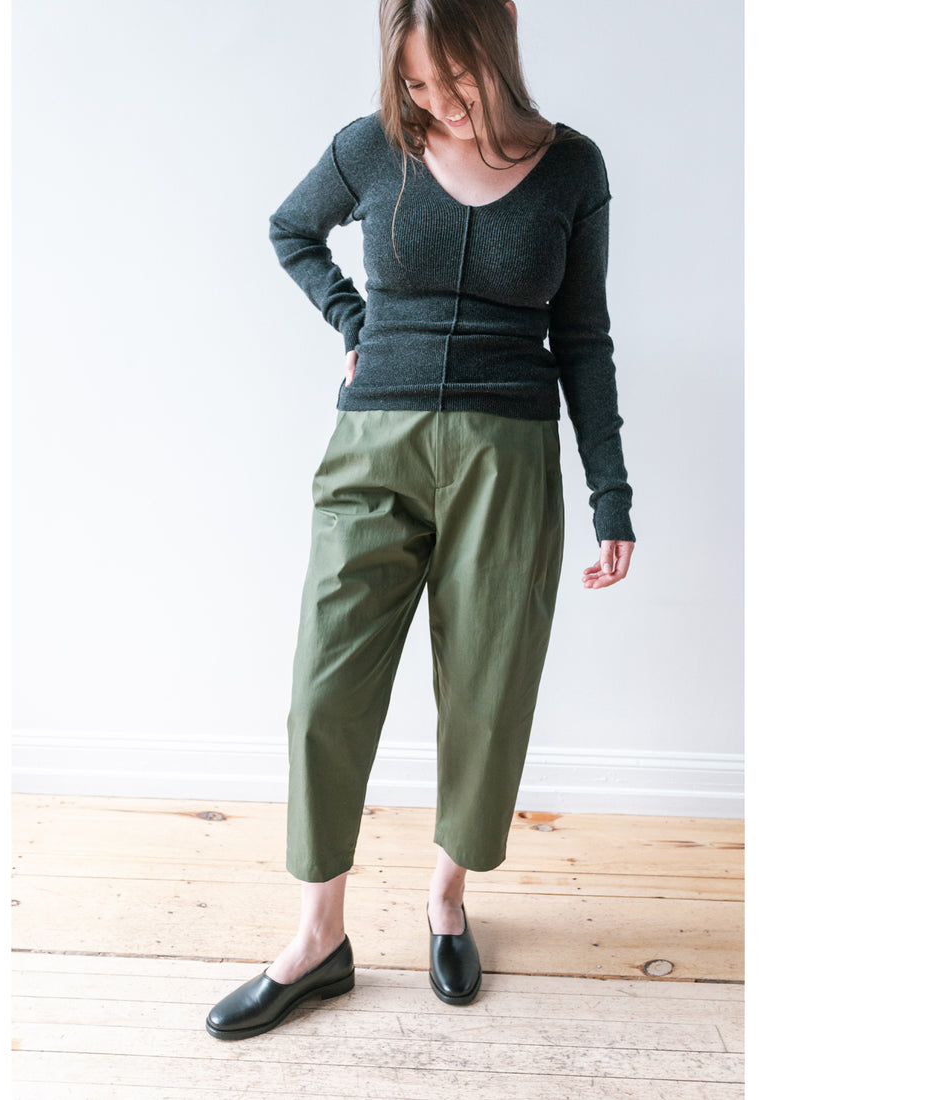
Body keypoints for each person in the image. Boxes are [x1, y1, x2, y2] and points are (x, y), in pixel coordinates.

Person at [206, 0, 635, 1041]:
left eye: (456, 78)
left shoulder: (572, 170)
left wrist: (610, 492)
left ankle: (447, 899)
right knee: (325, 687)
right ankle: (318, 938)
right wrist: (352, 320)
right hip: (375, 443)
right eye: (414, 82)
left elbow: (583, 337)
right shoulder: (370, 148)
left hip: (507, 450)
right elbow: (291, 229)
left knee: (487, 690)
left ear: (500, 43)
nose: (435, 101)